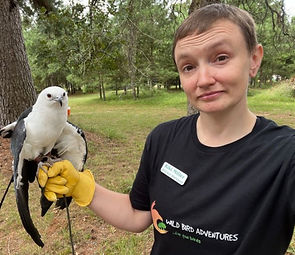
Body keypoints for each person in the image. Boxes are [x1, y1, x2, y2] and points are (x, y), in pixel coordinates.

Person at [38, 4, 295, 255]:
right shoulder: (163, 138)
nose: (204, 80)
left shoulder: (286, 155)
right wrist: (81, 185)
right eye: (189, 67)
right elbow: (138, 214)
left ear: (254, 59)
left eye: (221, 58)